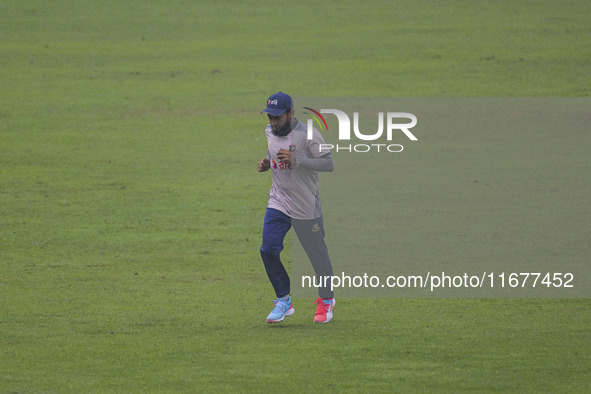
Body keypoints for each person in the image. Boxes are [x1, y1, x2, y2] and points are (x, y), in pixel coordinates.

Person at [257, 92, 336, 324]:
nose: (273, 122)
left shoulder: (308, 134)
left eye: (278, 117)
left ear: (290, 114)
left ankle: (326, 300)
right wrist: (267, 163)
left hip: (306, 206)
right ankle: (283, 300)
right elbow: (275, 152)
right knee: (268, 250)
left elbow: (328, 163)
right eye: (270, 117)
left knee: (317, 257)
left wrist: (297, 160)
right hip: (279, 202)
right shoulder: (269, 132)